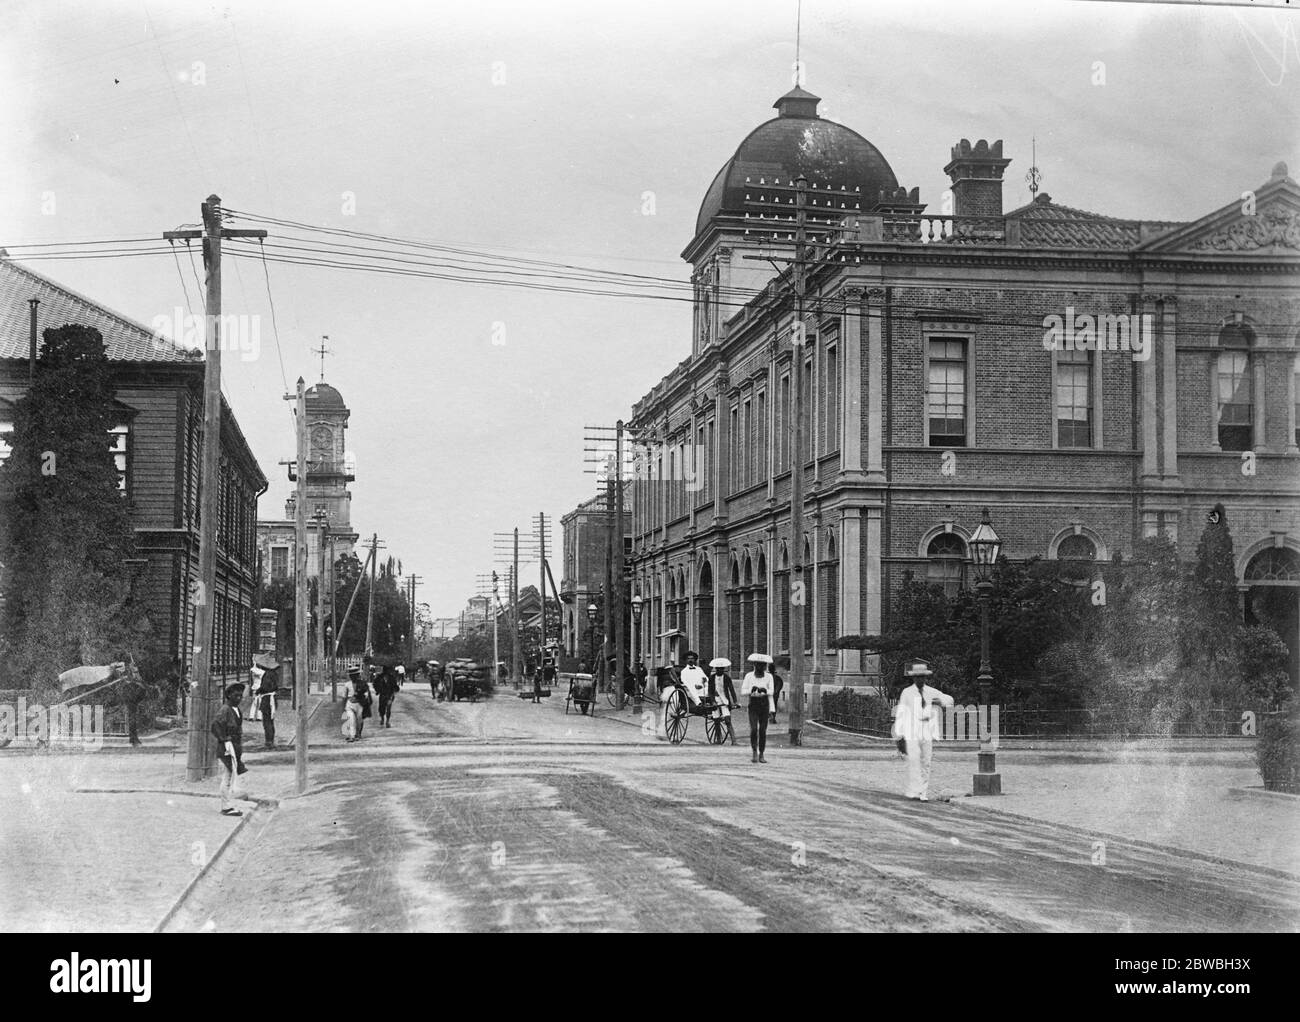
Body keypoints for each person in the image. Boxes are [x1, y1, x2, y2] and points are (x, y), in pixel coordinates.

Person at [891, 658, 955, 802]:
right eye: (918, 677)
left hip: (926, 728)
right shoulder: (907, 693)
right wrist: (899, 736)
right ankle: (914, 790)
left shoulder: (931, 692)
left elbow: (949, 700)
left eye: (923, 677)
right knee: (914, 760)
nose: (920, 679)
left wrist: (940, 701)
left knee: (926, 760)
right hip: (912, 728)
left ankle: (923, 793)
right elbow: (901, 714)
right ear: (913, 677)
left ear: (926, 677)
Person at [211, 683, 248, 815]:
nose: (238, 698)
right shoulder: (225, 710)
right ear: (228, 696)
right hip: (227, 747)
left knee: (231, 774)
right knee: (228, 775)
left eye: (240, 695)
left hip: (235, 746)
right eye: (235, 695)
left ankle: (228, 803)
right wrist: (224, 738)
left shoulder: (236, 710)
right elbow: (215, 725)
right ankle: (226, 807)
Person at [740, 655, 776, 763]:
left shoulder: (769, 677)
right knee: (754, 729)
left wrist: (765, 690)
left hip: (764, 704)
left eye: (763, 665)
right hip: (754, 704)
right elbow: (743, 691)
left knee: (762, 730)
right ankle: (754, 751)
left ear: (765, 666)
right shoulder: (749, 676)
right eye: (758, 665)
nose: (760, 667)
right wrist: (751, 690)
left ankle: (762, 753)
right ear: (754, 665)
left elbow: (772, 691)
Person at [708, 658, 737, 745]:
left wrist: (735, 701)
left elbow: (731, 689)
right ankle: (718, 739)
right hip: (715, 700)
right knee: (716, 721)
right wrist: (712, 701)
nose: (719, 670)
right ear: (715, 669)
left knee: (727, 720)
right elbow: (710, 691)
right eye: (718, 668)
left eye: (721, 668)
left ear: (724, 669)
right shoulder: (712, 678)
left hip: (724, 700)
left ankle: (734, 740)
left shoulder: (727, 677)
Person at [252, 663, 276, 748]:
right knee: (270, 720)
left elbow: (265, 687)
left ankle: (269, 741)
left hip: (267, 699)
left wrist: (258, 691)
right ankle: (271, 740)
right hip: (271, 699)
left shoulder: (267, 675)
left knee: (267, 721)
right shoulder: (273, 673)